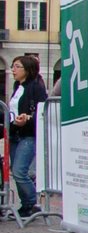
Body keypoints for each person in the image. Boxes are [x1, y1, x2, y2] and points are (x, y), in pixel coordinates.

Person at [8, 54, 48, 218]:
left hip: (28, 134)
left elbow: (41, 110)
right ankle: (26, 205)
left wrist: (27, 118)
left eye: (17, 66)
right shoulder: (17, 86)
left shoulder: (36, 87)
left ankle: (32, 202)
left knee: (19, 171)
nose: (13, 69)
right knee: (16, 171)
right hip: (15, 133)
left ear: (27, 69)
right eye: (13, 66)